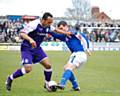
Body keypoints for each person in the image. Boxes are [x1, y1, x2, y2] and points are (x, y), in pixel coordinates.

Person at [5, 12, 72, 92]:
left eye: (51, 22)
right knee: (28, 69)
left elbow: (56, 30)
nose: (50, 24)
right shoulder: (34, 24)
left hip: (37, 48)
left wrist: (67, 33)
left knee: (48, 65)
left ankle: (47, 84)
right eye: (49, 22)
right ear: (43, 20)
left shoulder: (48, 26)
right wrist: (30, 39)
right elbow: (22, 34)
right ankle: (10, 78)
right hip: (27, 48)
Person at [49, 21, 91, 91]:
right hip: (77, 55)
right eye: (59, 28)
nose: (61, 30)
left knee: (69, 68)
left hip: (79, 53)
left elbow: (83, 37)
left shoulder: (72, 31)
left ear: (66, 26)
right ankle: (76, 87)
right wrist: (47, 30)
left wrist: (87, 48)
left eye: (62, 28)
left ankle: (62, 84)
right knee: (66, 68)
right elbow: (55, 35)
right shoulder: (64, 36)